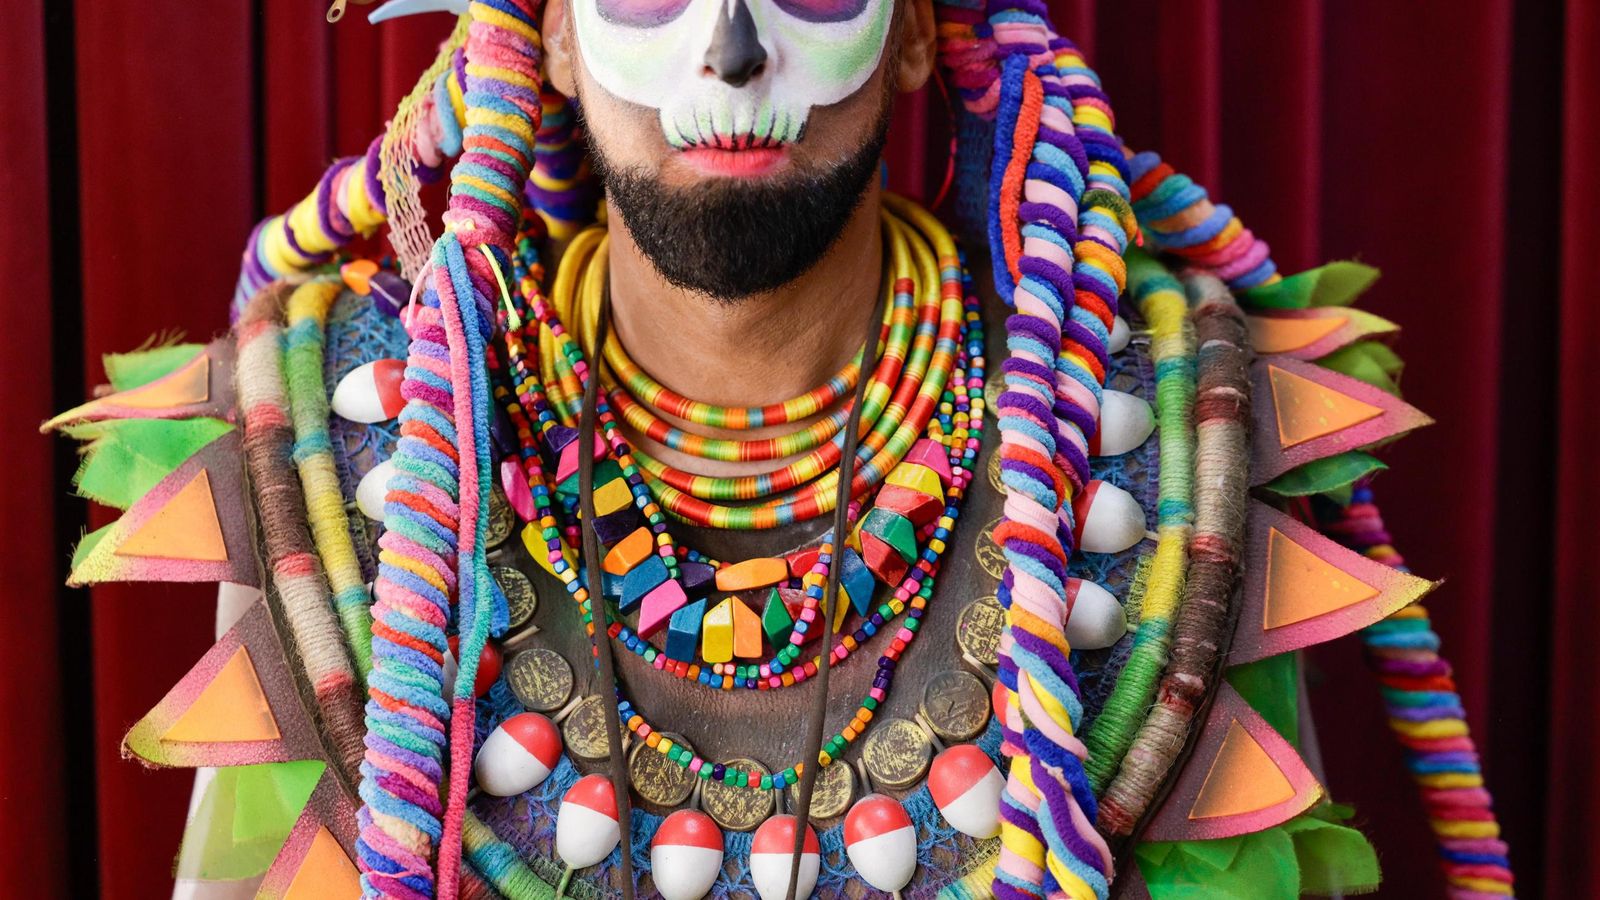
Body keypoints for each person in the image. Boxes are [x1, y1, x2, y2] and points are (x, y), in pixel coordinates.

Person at [47, 0, 1514, 897]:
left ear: (924, 28)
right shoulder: (359, 454)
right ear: (550, 32)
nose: (732, 47)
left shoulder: (1151, 453)